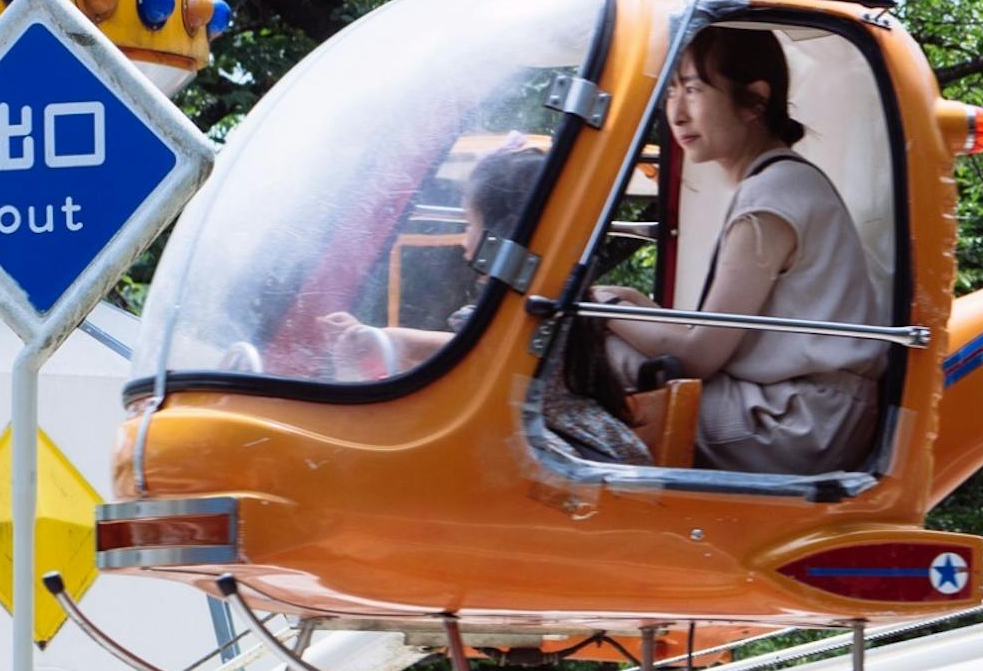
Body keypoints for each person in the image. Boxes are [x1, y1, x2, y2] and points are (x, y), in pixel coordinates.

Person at [594, 25, 881, 475]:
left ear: (755, 100)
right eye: (670, 93)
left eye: (693, 90)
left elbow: (698, 355)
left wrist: (600, 308)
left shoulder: (772, 195)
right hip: (812, 413)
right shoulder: (782, 182)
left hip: (794, 421)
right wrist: (629, 301)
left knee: (590, 355)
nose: (677, 114)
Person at [324, 145, 650, 464]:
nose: (464, 240)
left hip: (560, 454)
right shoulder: (557, 300)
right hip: (596, 441)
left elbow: (461, 351)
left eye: (469, 223)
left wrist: (376, 338)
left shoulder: (522, 315)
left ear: (500, 237)